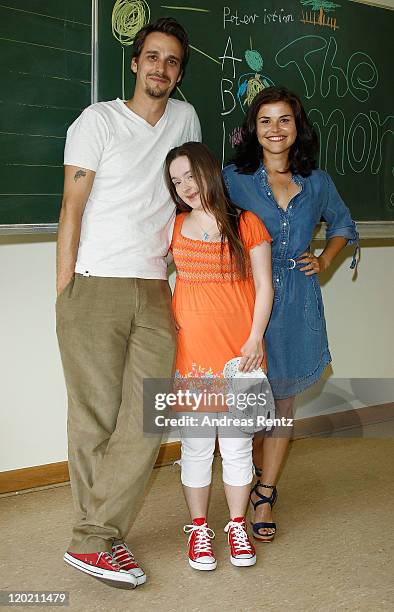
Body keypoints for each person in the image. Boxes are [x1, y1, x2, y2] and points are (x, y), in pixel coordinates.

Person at [56, 17, 201, 588]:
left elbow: (193, 193)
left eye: (172, 62)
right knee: (92, 419)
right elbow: (71, 205)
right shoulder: (97, 121)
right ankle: (97, 541)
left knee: (148, 413)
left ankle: (92, 535)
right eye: (153, 57)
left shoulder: (186, 119)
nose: (161, 68)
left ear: (178, 73)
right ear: (136, 62)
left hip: (154, 286)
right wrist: (66, 288)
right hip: (93, 282)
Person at [223, 86, 358, 543]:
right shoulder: (233, 179)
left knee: (281, 406)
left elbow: (343, 224)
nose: (275, 129)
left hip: (298, 305)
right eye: (265, 120)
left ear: (297, 128)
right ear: (252, 129)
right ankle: (242, 480)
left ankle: (265, 492)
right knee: (247, 402)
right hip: (247, 303)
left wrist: (323, 259)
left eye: (284, 120)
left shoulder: (316, 181)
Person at [164, 142, 274, 570]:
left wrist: (254, 338)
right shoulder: (173, 227)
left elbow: (264, 286)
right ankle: (198, 530)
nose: (185, 187)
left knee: (236, 447)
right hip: (191, 357)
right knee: (194, 448)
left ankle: (235, 525)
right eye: (176, 181)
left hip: (239, 358)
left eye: (190, 175)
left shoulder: (246, 223)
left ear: (209, 171)